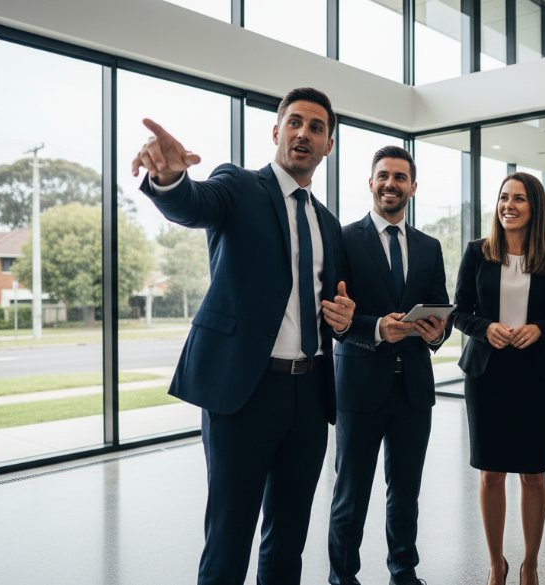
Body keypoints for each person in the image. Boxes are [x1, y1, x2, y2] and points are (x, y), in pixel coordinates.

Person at [131, 87, 355, 585]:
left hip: (310, 396)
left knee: (288, 540)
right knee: (230, 537)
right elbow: (193, 203)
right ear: (276, 132)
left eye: (316, 127)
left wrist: (342, 316)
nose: (303, 133)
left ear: (328, 145)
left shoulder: (327, 223)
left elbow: (334, 303)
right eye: (294, 122)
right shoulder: (238, 185)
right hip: (243, 394)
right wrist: (168, 178)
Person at [327, 145, 451, 585]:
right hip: (360, 387)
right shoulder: (343, 239)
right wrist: (377, 327)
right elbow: (334, 314)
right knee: (351, 493)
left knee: (406, 494)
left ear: (412, 187)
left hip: (414, 391)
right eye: (383, 175)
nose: (390, 184)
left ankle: (404, 571)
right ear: (370, 182)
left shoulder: (429, 247)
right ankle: (342, 576)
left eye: (400, 177)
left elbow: (440, 312)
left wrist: (437, 332)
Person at [452, 172, 545, 585]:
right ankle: (496, 562)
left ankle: (530, 563)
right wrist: (485, 328)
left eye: (518, 198)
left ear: (534, 207)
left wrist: (540, 329)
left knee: (533, 473)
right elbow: (459, 310)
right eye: (503, 198)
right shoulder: (477, 253)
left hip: (534, 375)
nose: (508, 206)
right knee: (491, 473)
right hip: (486, 374)